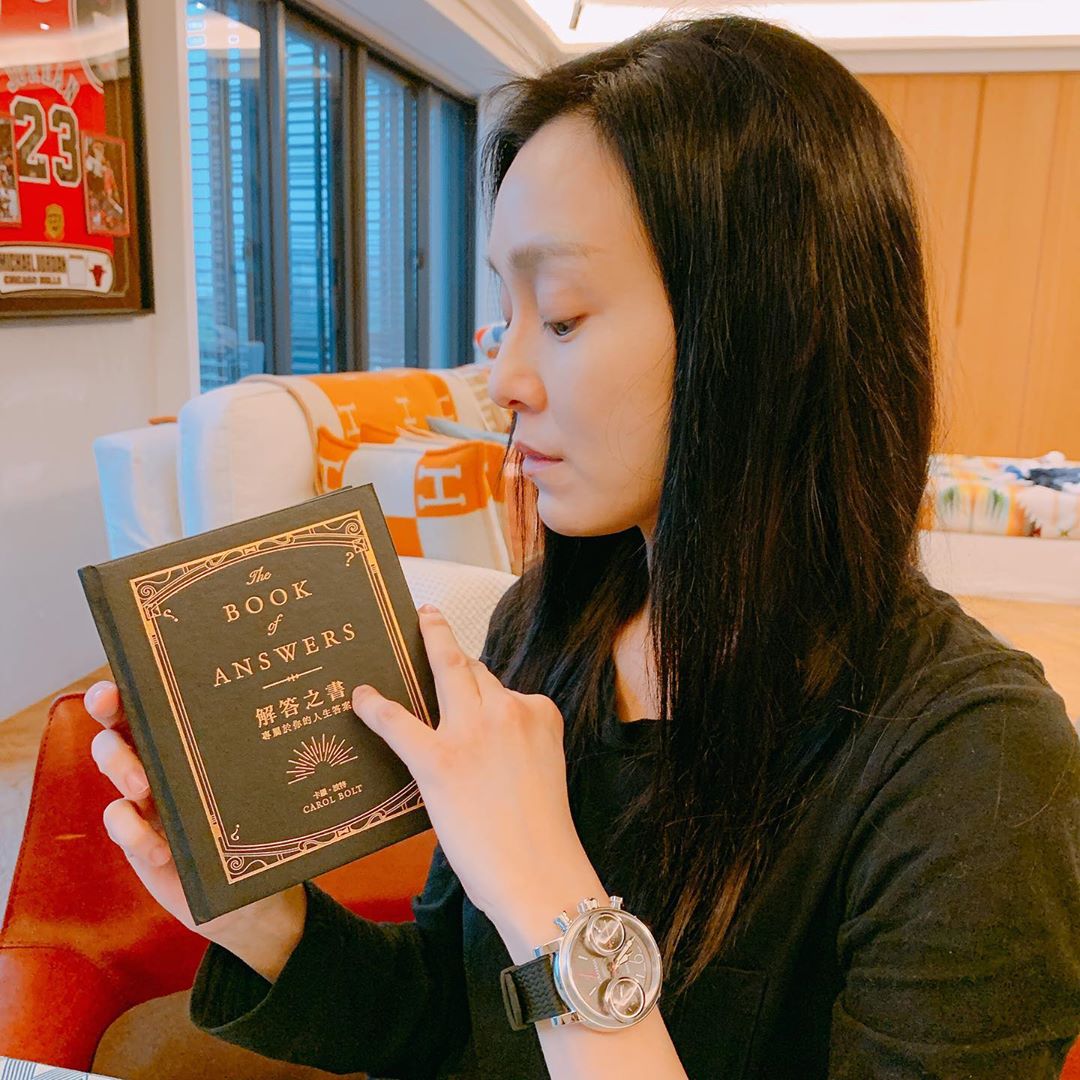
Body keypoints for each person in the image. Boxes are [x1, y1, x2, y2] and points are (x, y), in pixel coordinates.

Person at [84, 13, 1079, 1078]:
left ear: (767, 333)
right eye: (506, 314)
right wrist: (261, 919)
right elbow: (450, 1022)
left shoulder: (975, 767)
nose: (506, 380)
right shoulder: (546, 628)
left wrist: (551, 899)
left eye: (558, 316)